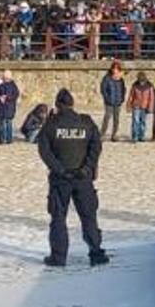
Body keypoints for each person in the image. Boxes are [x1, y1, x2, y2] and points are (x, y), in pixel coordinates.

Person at [37, 88, 108, 267]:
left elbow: (44, 151)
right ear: (72, 104)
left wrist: (60, 169)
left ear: (58, 105)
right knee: (89, 216)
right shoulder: (86, 122)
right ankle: (96, 252)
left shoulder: (51, 124)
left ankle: (58, 257)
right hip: (83, 178)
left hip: (61, 179)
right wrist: (87, 168)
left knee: (58, 218)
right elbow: (96, 147)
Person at [99, 61, 126, 142]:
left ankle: (114, 135)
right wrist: (107, 98)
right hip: (109, 101)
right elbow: (103, 89)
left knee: (116, 119)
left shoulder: (121, 79)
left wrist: (122, 98)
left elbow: (123, 89)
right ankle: (102, 134)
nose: (115, 70)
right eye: (114, 68)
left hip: (118, 101)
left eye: (117, 68)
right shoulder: (107, 78)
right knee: (107, 118)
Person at [0, 70, 20, 144]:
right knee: (1, 124)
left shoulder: (13, 86)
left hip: (9, 107)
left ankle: (9, 139)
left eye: (7, 78)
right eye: (4, 78)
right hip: (1, 107)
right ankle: (1, 139)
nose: (6, 80)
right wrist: (0, 98)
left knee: (9, 124)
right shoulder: (0, 86)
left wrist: (7, 97)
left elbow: (15, 95)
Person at [128, 72, 153, 143]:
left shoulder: (149, 86)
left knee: (143, 122)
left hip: (145, 106)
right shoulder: (135, 85)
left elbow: (151, 98)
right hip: (136, 105)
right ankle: (135, 136)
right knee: (135, 121)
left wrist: (150, 107)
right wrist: (129, 105)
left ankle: (141, 136)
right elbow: (131, 96)